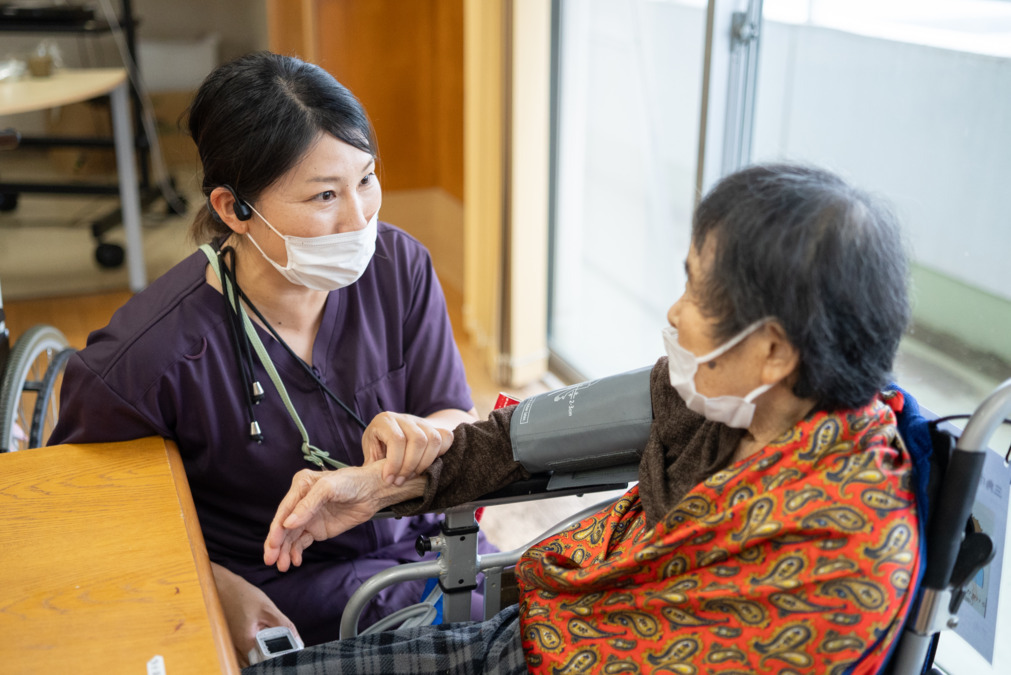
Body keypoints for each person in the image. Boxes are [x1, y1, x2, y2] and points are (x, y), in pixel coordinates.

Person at [252, 163, 921, 674]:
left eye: (693, 287)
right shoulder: (718, 398)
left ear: (772, 349)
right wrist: (380, 489)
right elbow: (512, 442)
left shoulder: (843, 559)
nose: (673, 311)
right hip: (541, 626)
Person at [48, 52, 481, 664]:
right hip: (284, 596)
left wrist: (421, 436)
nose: (361, 218)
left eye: (365, 179)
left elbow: (457, 419)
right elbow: (94, 527)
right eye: (325, 195)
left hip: (430, 548)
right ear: (233, 210)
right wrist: (215, 588)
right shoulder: (146, 360)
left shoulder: (399, 267)